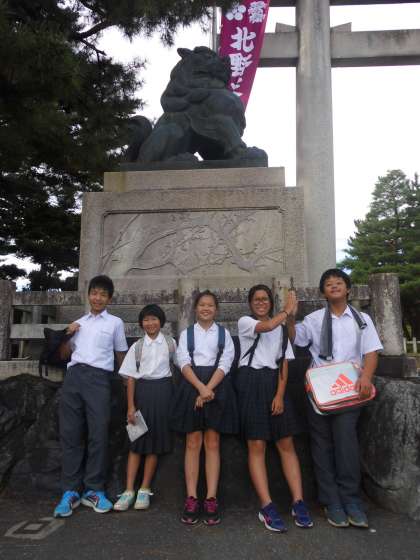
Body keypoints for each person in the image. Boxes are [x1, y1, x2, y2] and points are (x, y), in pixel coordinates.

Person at [287, 268, 383, 529]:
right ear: (323, 292)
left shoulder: (362, 319)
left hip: (350, 387)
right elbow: (296, 339)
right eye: (329, 284)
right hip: (319, 389)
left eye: (339, 282)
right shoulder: (314, 319)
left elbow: (371, 351)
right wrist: (290, 318)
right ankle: (331, 501)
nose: (334, 286)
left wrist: (367, 377)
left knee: (346, 442)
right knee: (321, 445)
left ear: (348, 288)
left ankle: (351, 499)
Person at [236, 284, 313, 533]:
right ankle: (266, 505)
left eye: (265, 299)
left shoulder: (280, 329)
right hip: (251, 381)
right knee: (256, 444)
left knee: (286, 442)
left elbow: (284, 363)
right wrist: (288, 310)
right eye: (256, 299)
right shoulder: (246, 322)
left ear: (270, 302)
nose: (261, 303)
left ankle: (298, 502)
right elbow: (267, 326)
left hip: (275, 382)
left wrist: (280, 394)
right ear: (250, 304)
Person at [53, 275, 128, 517]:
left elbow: (120, 354)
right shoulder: (78, 323)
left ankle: (94, 490)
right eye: (94, 293)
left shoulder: (115, 323)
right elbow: (64, 355)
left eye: (103, 294)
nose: (97, 298)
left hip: (99, 379)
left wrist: (128, 382)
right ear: (88, 295)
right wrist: (67, 333)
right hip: (74, 377)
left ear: (109, 299)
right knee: (70, 434)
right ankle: (70, 491)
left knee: (98, 433)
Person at [171, 290, 238, 526]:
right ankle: (191, 497)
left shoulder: (224, 334)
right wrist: (200, 388)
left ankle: (211, 497)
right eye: (202, 305)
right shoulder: (186, 334)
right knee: (192, 442)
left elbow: (226, 362)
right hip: (192, 385)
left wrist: (209, 389)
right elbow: (183, 362)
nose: (206, 308)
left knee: (212, 442)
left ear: (216, 310)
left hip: (217, 385)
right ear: (195, 309)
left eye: (210, 305)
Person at [114, 304, 176, 512]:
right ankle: (128, 490)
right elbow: (131, 378)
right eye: (146, 320)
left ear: (161, 321)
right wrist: (131, 406)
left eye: (154, 319)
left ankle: (144, 488)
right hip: (141, 395)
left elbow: (182, 365)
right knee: (136, 441)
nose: (150, 323)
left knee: (154, 443)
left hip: (164, 395)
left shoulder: (170, 343)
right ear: (141, 323)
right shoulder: (137, 346)